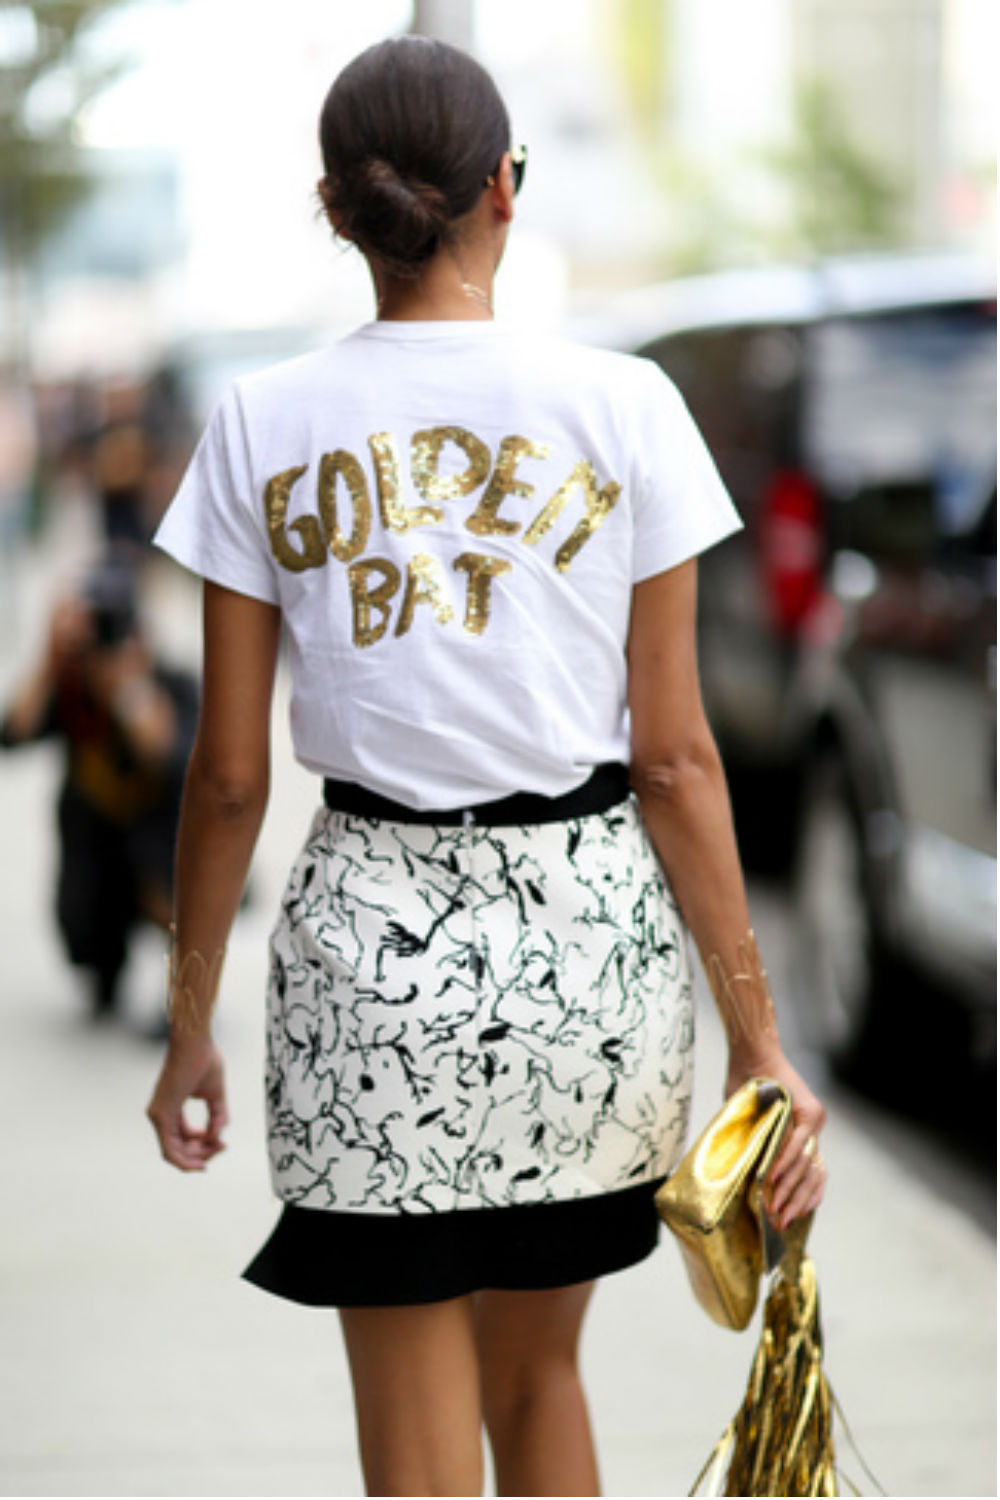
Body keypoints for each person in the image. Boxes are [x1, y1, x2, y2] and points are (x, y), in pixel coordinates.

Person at [146, 35, 826, 1497]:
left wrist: (190, 1021)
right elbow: (676, 760)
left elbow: (227, 780)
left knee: (413, 1421)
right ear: (505, 188)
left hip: (370, 971)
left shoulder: (262, 421)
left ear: (337, 209)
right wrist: (757, 1039)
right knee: (542, 1377)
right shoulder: (626, 406)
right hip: (586, 969)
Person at [1, 551, 198, 1019]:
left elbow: (171, 759)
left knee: (169, 887)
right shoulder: (75, 690)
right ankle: (104, 968)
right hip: (93, 852)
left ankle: (185, 992)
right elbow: (12, 735)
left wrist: (128, 692)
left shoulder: (171, 684)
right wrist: (50, 659)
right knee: (83, 925)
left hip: (160, 851)